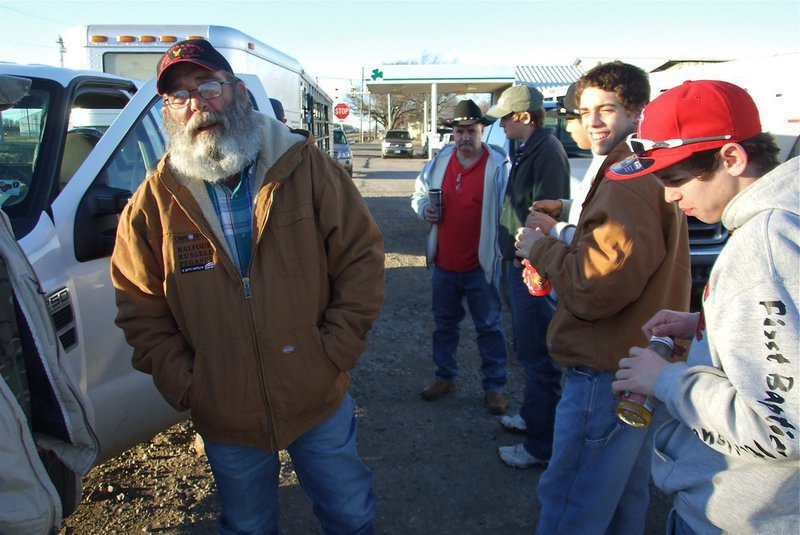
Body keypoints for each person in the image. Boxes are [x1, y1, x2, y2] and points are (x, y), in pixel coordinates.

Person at [110, 39, 384, 535]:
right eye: (178, 96)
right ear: (168, 111)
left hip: (314, 390)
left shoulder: (306, 167)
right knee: (248, 526)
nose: (196, 103)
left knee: (350, 515)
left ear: (235, 90)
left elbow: (361, 260)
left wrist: (334, 350)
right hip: (224, 406)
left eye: (207, 86)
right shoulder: (153, 200)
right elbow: (138, 305)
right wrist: (190, 381)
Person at [608, 80, 799, 534]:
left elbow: (782, 426)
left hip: (748, 517)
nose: (671, 196)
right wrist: (712, 325)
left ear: (731, 158)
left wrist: (665, 379)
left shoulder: (765, 243)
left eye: (675, 179)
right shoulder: (788, 215)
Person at [515, 61, 691, 534]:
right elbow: (626, 248)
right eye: (584, 111)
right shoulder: (644, 167)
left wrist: (540, 246)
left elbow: (596, 288)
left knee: (573, 500)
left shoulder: (626, 178)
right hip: (636, 363)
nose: (592, 121)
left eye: (607, 109)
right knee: (618, 502)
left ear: (637, 112)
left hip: (605, 370)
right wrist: (574, 212)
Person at [483, 84, 570, 468]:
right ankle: (533, 419)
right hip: (517, 263)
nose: (500, 125)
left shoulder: (547, 153)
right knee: (529, 348)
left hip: (532, 269)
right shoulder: (527, 150)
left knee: (538, 356)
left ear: (523, 116)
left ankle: (540, 445)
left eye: (504, 117)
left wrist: (531, 259)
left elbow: (548, 219)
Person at [410, 99, 510, 415]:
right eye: (459, 131)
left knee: (490, 326)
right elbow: (419, 194)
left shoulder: (499, 166)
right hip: (444, 263)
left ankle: (494, 387)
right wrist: (423, 208)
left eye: (471, 131)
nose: (464, 137)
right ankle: (444, 377)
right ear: (452, 133)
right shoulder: (439, 162)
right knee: (444, 325)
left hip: (483, 264)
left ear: (482, 131)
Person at [528, 81, 604, 245]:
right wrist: (564, 207)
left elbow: (599, 245)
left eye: (570, 121)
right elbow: (595, 213)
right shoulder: (601, 159)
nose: (568, 129)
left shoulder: (615, 168)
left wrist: (555, 229)